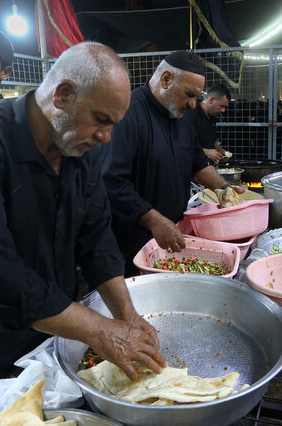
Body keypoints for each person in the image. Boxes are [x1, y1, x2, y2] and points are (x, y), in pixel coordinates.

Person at [0, 42, 166, 403]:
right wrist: (101, 331)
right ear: (63, 95)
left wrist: (128, 318)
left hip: (51, 326)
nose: (106, 137)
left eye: (113, 125)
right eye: (101, 120)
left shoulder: (78, 150)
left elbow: (97, 239)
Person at [102, 51, 245, 277]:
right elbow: (111, 181)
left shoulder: (182, 118)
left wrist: (224, 188)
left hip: (169, 233)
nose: (192, 105)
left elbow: (197, 162)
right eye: (189, 95)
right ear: (166, 79)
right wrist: (155, 221)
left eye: (196, 97)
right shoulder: (128, 113)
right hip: (129, 240)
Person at [183, 83, 231, 162]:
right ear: (211, 100)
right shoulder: (190, 115)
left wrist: (220, 151)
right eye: (221, 106)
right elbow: (182, 146)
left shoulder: (212, 117)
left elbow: (209, 141)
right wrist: (207, 153)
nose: (223, 110)